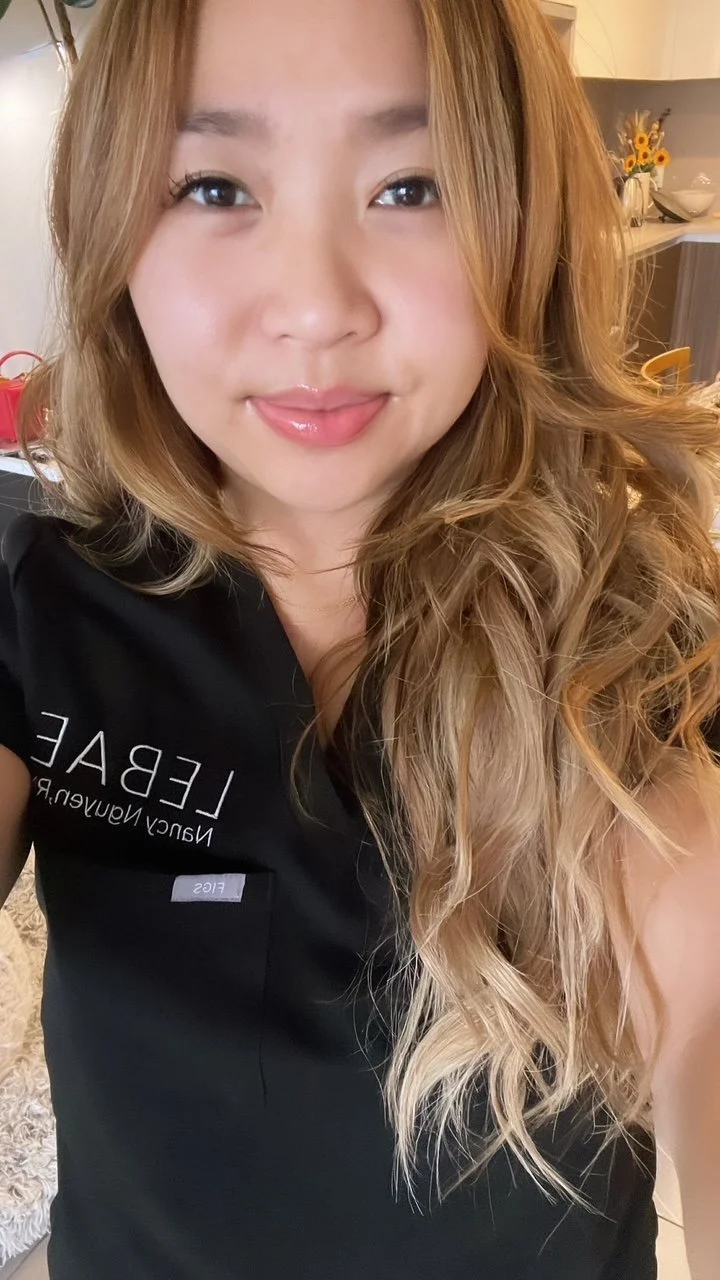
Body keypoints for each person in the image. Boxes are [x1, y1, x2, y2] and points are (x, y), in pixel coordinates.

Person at [1, 0, 719, 1276]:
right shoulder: (41, 602)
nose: (316, 309)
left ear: (523, 225)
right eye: (214, 185)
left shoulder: (635, 634)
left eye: (411, 186)